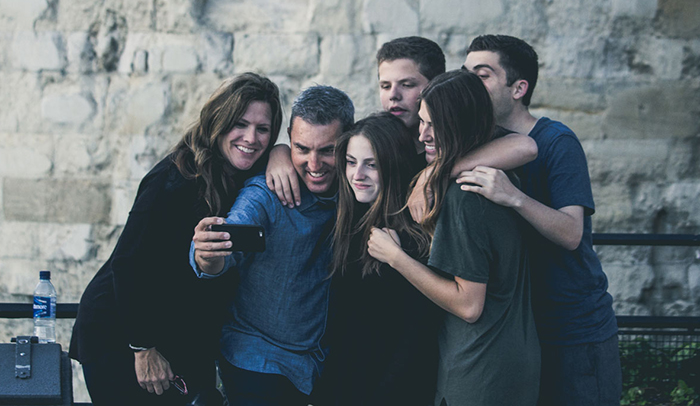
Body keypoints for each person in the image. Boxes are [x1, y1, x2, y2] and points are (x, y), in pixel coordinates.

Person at [69, 73, 283, 405]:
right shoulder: (176, 177)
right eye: (240, 124)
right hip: (123, 336)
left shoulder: (242, 175)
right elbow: (128, 262)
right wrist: (143, 348)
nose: (251, 138)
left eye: (263, 129)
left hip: (179, 336)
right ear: (218, 123)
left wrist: (281, 152)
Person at [456, 34, 621, 406]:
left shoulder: (557, 141)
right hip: (516, 334)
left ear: (519, 87)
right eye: (465, 74)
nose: (469, 84)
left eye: (482, 75)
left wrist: (514, 197)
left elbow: (571, 233)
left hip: (573, 330)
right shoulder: (478, 144)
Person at [368, 70, 541, 406]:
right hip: (505, 361)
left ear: (461, 124)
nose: (423, 134)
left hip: (480, 370)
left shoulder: (465, 197)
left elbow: (469, 304)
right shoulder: (494, 174)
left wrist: (395, 257)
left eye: (434, 124)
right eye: (421, 122)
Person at [190, 85, 354, 406]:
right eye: (302, 148)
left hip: (323, 367)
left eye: (327, 150)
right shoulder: (265, 193)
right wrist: (208, 256)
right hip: (258, 360)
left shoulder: (357, 184)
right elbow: (227, 245)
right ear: (290, 138)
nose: (314, 163)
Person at [266, 36, 538, 209]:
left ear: (434, 87)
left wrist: (436, 172)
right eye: (385, 85)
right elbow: (323, 145)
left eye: (407, 85)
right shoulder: (375, 134)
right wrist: (279, 153)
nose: (393, 96)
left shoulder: (451, 140)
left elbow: (524, 146)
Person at [314, 113, 439, 406]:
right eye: (351, 162)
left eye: (371, 164)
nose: (358, 175)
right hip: (342, 385)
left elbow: (415, 340)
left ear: (393, 166)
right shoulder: (349, 220)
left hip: (391, 392)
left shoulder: (411, 238)